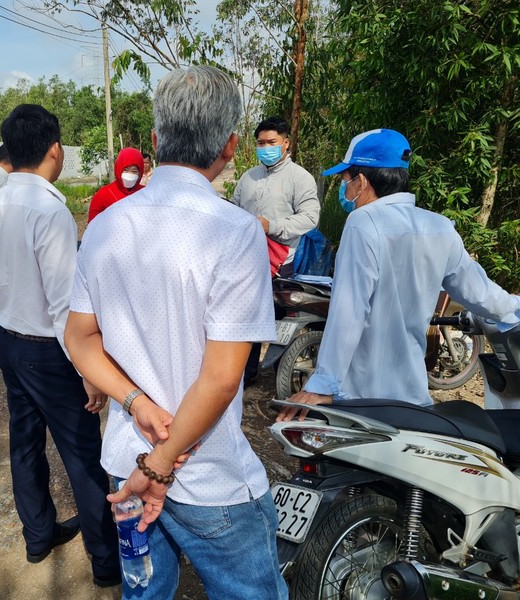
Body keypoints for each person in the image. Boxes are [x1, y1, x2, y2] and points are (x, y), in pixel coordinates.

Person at [65, 66, 287, 600]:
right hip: (207, 475)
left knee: (145, 593)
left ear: (157, 139)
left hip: (127, 461)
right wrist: (160, 466)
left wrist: (134, 402)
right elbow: (220, 379)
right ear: (232, 146)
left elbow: (79, 339)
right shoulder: (234, 231)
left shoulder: (105, 227)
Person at [0, 104, 121, 587]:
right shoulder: (50, 210)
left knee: (26, 442)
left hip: (10, 344)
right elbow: (63, 307)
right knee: (81, 451)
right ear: (54, 149)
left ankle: (38, 535)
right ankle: (105, 561)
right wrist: (88, 370)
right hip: (48, 350)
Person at [279, 128, 520, 422]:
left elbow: (349, 312)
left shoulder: (362, 223)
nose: (346, 190)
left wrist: (322, 383)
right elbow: (481, 294)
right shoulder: (440, 227)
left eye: (345, 180)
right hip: (412, 396)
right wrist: (514, 310)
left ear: (362, 180)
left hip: (361, 398)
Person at [232, 116, 320, 387]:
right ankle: (246, 374)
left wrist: (273, 226)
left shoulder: (300, 178)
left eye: (271, 142)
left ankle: (284, 372)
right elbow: (235, 208)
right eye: (261, 143)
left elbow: (310, 217)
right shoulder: (249, 177)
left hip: (281, 261)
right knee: (247, 316)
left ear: (285, 144)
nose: (265, 147)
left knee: (281, 317)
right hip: (247, 260)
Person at [87, 147, 144, 223]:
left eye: (134, 171)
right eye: (125, 170)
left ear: (140, 173)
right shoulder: (103, 194)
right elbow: (92, 225)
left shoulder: (145, 193)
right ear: (118, 168)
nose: (129, 174)